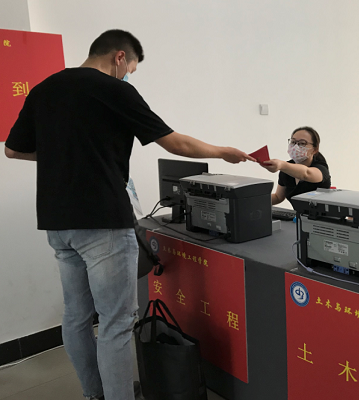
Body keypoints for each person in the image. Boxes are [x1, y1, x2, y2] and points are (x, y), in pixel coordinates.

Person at [4, 29, 253, 400]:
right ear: (119, 57)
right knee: (116, 322)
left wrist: (62, 155)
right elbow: (175, 143)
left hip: (57, 223)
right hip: (103, 220)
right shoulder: (114, 89)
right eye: (130, 69)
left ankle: (94, 394)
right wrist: (223, 152)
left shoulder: (44, 89)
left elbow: (12, 150)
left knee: (76, 316)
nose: (128, 76)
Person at [264, 126, 331, 205]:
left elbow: (306, 173)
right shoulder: (286, 170)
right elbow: (278, 197)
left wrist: (282, 165)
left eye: (302, 143)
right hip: (298, 213)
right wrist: (254, 200)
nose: (296, 146)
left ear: (314, 150)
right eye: (293, 142)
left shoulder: (321, 168)